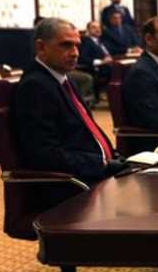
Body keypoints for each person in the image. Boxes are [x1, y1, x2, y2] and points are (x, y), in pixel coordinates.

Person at [15, 17, 125, 181]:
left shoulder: (63, 78)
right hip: (75, 185)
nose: (75, 53)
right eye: (66, 45)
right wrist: (102, 164)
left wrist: (114, 156)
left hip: (97, 172)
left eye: (77, 46)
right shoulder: (35, 87)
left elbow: (85, 131)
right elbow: (45, 154)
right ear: (41, 48)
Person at [77, 20, 113, 97]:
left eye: (99, 27)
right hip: (94, 69)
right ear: (88, 30)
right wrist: (101, 62)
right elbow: (83, 58)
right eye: (94, 27)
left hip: (107, 67)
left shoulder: (100, 41)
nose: (98, 29)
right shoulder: (86, 41)